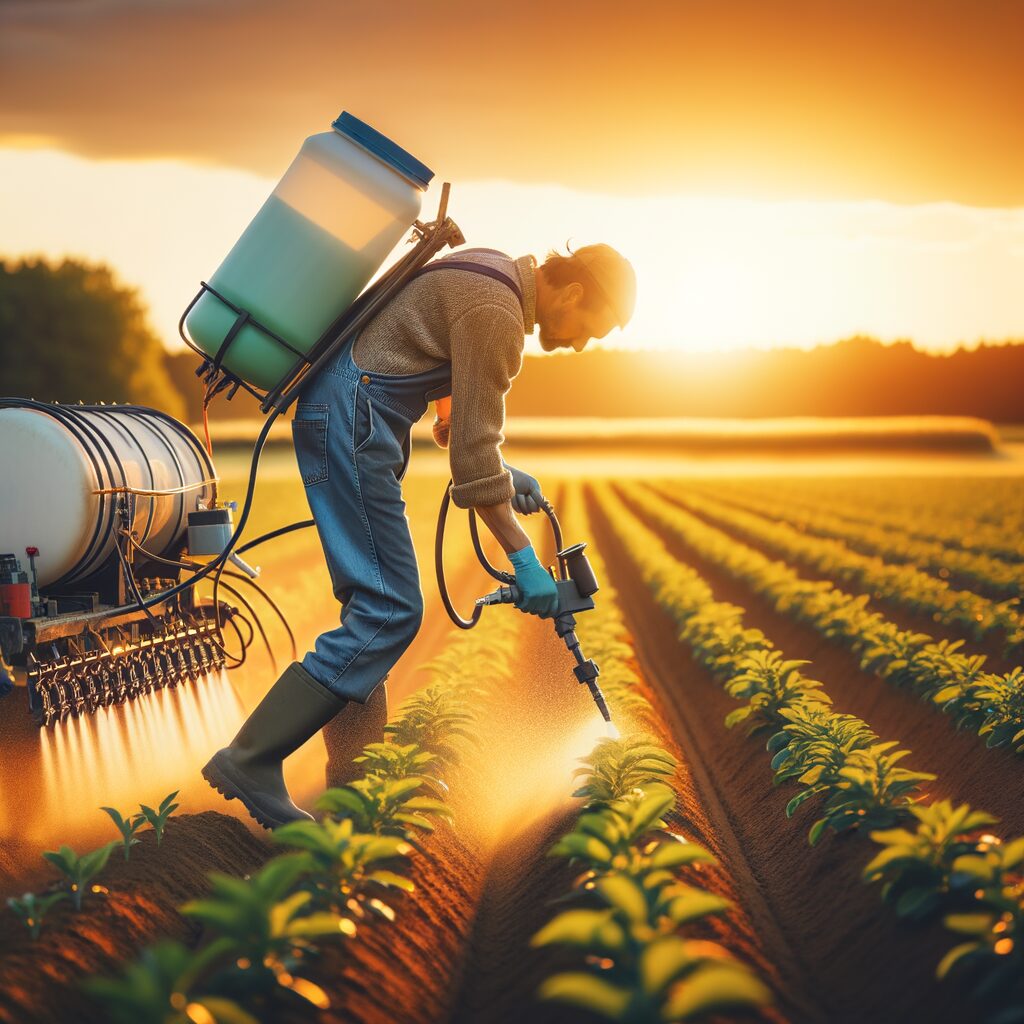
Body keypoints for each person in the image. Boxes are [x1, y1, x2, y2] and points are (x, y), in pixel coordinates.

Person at [202, 242, 636, 829]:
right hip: (352, 423)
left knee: (373, 609)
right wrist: (525, 559)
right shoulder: (498, 313)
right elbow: (473, 466)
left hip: (347, 419)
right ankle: (251, 759)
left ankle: (355, 787)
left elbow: (457, 424)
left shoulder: (493, 273)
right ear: (575, 293)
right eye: (591, 329)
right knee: (389, 610)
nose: (582, 342)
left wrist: (503, 472)